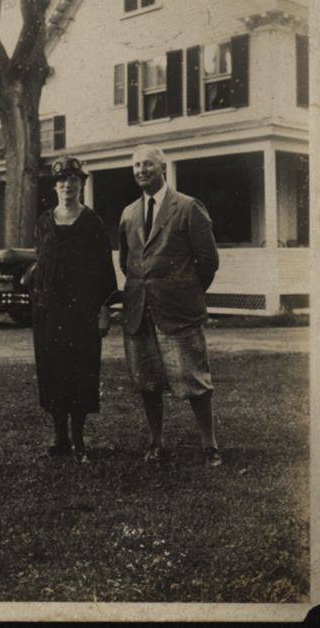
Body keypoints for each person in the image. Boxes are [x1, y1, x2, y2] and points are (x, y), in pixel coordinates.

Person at [119, 144, 222, 467]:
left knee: (194, 379)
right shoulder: (128, 213)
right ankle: (156, 442)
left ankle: (209, 445)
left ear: (162, 167)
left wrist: (185, 290)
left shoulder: (188, 207)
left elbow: (208, 261)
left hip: (178, 312)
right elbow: (127, 262)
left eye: (148, 164)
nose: (141, 170)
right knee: (147, 380)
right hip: (139, 311)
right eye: (136, 165)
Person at [32, 155, 117, 464]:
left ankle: (79, 438)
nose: (68, 185)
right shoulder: (43, 221)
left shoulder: (92, 222)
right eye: (63, 181)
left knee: (80, 372)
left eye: (75, 180)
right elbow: (41, 264)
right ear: (55, 186)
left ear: (81, 185)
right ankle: (59, 437)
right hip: (49, 313)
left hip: (82, 313)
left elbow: (105, 272)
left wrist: (104, 310)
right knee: (52, 370)